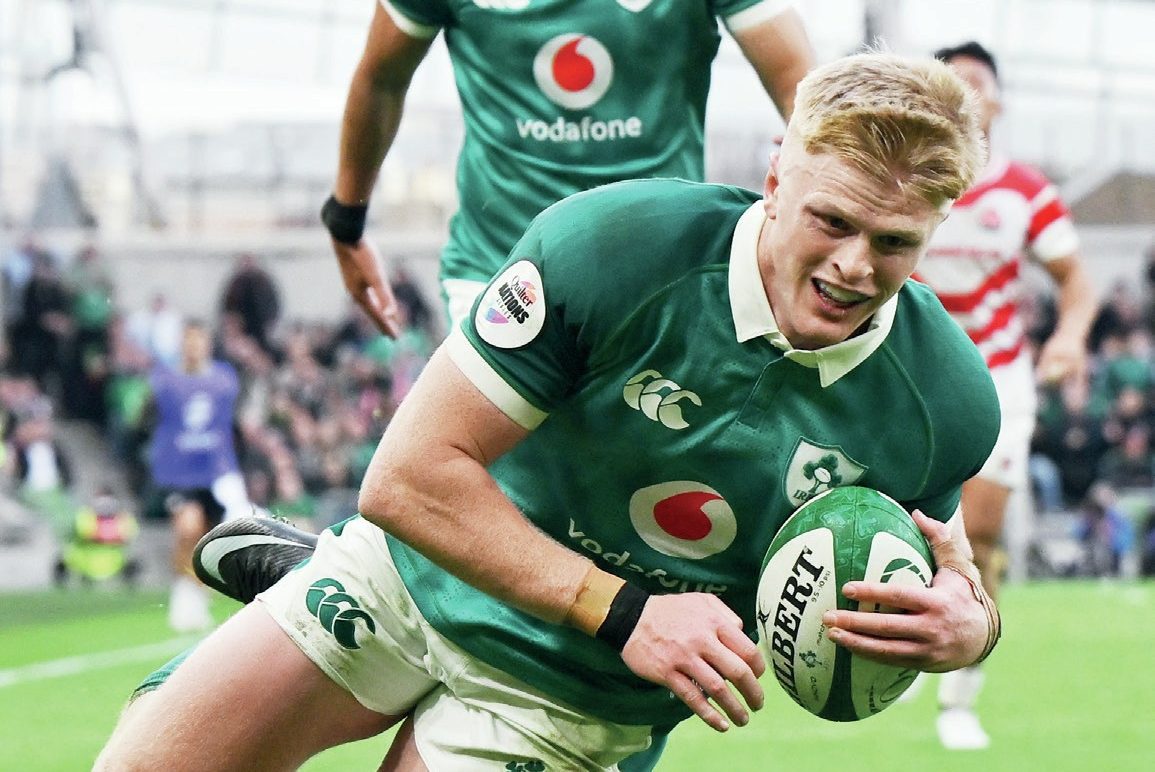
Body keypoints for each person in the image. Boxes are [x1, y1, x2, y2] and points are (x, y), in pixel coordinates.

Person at [97, 51, 1004, 771]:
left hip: (569, 699)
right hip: (410, 578)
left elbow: (938, 577)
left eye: (893, 244)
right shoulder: (611, 246)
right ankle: (312, 571)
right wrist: (629, 613)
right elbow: (408, 479)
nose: (853, 266)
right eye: (832, 222)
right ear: (775, 177)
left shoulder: (947, 405)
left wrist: (972, 628)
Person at [320, 0, 815, 338]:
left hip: (664, 279)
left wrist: (818, 155)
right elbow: (381, 77)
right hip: (500, 274)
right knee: (497, 480)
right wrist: (346, 221)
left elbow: (801, 83)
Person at [913, 41, 1099, 750]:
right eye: (950, 80)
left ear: (993, 103)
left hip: (996, 377)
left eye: (977, 83)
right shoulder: (901, 177)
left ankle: (958, 697)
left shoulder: (1026, 191)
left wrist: (1069, 335)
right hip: (904, 372)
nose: (966, 92)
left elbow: (1075, 283)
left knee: (979, 534)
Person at [145, 320, 250, 632]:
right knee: (187, 528)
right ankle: (182, 591)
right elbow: (150, 416)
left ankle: (198, 591)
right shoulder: (164, 379)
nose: (193, 347)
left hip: (216, 471)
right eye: (188, 341)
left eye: (199, 341)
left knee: (210, 538)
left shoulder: (223, 378)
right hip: (180, 472)